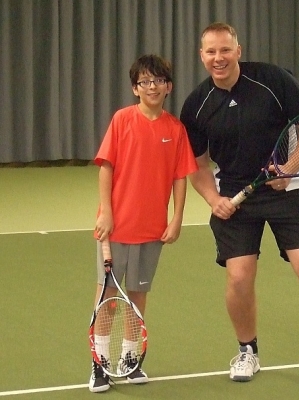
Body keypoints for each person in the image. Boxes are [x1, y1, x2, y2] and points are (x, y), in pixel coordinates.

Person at [180, 22, 299, 392]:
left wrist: (289, 168)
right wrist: (214, 200)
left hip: (288, 190)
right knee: (239, 277)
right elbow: (196, 163)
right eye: (211, 52)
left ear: (238, 50)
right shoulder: (197, 104)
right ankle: (247, 351)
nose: (218, 58)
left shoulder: (272, 80)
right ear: (202, 56)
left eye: (225, 50)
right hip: (235, 194)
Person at [88, 54, 198, 393]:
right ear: (136, 89)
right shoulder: (122, 120)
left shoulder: (176, 129)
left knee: (137, 298)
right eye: (145, 82)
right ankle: (100, 366)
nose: (152, 86)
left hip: (152, 231)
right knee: (107, 297)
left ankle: (130, 360)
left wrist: (177, 218)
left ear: (168, 86)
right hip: (116, 228)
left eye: (158, 81)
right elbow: (106, 167)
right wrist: (106, 212)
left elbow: (181, 177)